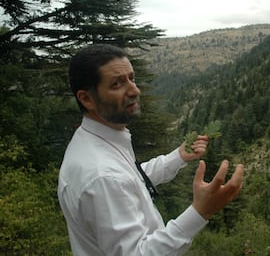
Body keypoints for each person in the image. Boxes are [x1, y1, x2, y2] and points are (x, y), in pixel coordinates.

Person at [57, 43, 244, 255]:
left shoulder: (93, 142)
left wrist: (178, 157)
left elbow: (130, 180)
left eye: (132, 78)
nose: (135, 90)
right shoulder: (103, 176)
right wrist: (201, 211)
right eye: (117, 84)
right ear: (86, 98)